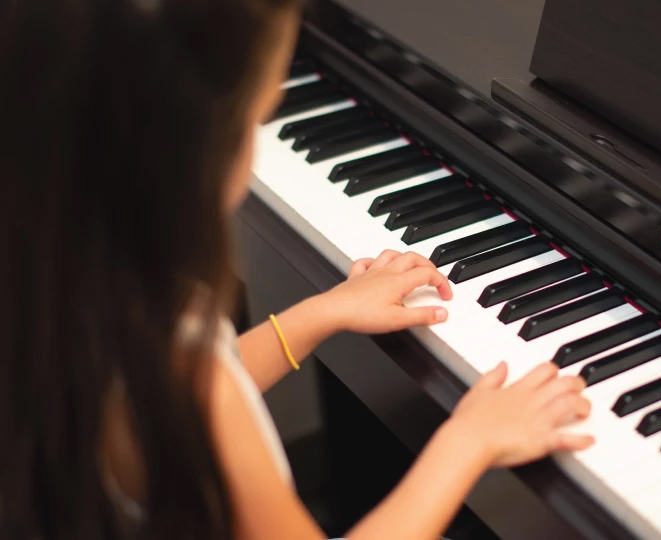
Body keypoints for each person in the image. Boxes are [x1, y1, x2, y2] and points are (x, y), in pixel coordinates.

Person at [0, 0, 595, 539]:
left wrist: (317, 314)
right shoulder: (193, 385)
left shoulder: (62, 289)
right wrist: (468, 443)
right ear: (194, 146)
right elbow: (201, 398)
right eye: (256, 116)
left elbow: (183, 398)